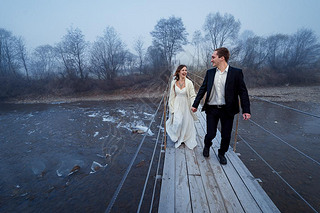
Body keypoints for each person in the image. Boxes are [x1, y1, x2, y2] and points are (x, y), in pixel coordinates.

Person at [191, 47, 251, 165]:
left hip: (228, 110)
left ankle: (221, 153)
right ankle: (207, 146)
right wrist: (195, 104)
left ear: (222, 58)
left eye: (213, 57)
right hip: (212, 109)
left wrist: (246, 110)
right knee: (211, 133)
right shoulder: (210, 73)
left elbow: (243, 92)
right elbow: (202, 89)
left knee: (226, 135)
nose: (211, 60)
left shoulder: (236, 73)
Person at [166, 65, 198, 149]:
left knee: (185, 122)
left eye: (186, 70)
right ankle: (176, 136)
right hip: (177, 103)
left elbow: (192, 95)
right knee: (178, 121)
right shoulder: (173, 82)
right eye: (183, 70)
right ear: (179, 71)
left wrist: (193, 105)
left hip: (186, 104)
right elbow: (171, 96)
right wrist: (171, 108)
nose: (184, 72)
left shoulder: (189, 83)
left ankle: (183, 138)